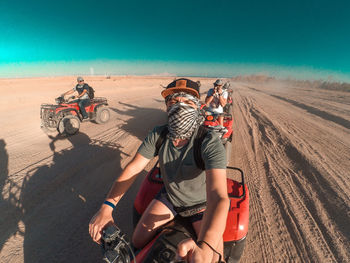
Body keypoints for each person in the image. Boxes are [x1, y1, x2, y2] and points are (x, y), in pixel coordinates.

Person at [89, 78, 229, 263]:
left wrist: (206, 247)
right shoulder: (159, 135)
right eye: (172, 102)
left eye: (187, 102)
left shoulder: (208, 141)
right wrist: (107, 208)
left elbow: (218, 196)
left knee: (214, 258)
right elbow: (133, 168)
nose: (179, 107)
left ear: (197, 107)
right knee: (137, 240)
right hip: (170, 197)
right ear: (166, 108)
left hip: (201, 204)